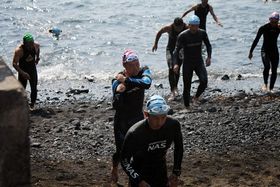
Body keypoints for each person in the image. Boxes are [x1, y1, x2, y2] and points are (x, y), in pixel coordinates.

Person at [121, 95, 183, 187]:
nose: (160, 122)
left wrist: (175, 173)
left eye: (163, 117)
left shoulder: (173, 125)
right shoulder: (135, 132)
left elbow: (179, 148)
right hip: (140, 171)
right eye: (156, 118)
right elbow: (124, 160)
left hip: (160, 170)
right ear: (146, 115)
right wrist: (138, 180)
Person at [111, 49, 152, 184]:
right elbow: (116, 105)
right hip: (122, 121)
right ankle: (114, 168)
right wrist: (119, 93)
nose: (135, 68)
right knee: (122, 152)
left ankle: (132, 180)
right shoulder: (117, 80)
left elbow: (146, 83)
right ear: (124, 66)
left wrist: (127, 81)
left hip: (138, 118)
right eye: (131, 65)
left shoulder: (143, 71)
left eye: (137, 64)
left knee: (139, 152)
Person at [173, 15, 212, 110]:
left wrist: (209, 57)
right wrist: (176, 64)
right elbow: (176, 51)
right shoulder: (183, 35)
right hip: (187, 63)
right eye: (192, 26)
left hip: (198, 61)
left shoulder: (202, 33)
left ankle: (196, 97)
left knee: (204, 81)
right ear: (189, 25)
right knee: (187, 86)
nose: (194, 28)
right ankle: (187, 106)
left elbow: (208, 45)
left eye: (196, 26)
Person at [152, 17, 188, 101]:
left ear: (182, 25)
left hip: (180, 51)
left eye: (180, 27)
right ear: (174, 25)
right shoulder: (169, 28)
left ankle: (175, 87)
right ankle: (172, 91)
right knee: (171, 68)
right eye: (177, 28)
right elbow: (159, 33)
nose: (179, 29)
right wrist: (155, 44)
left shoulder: (186, 27)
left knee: (177, 69)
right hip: (170, 50)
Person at [248, 12, 280, 93]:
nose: (273, 24)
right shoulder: (264, 28)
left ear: (278, 21)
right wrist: (251, 52)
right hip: (264, 50)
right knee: (267, 66)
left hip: (274, 51)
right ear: (269, 20)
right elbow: (256, 40)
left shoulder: (279, 27)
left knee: (274, 70)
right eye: (272, 21)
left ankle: (271, 88)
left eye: (275, 22)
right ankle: (265, 84)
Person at [12, 33, 40, 110]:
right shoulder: (19, 50)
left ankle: (32, 105)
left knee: (34, 88)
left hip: (32, 69)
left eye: (31, 43)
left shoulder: (36, 45)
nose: (30, 46)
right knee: (22, 89)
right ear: (24, 43)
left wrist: (37, 58)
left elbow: (38, 50)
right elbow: (14, 64)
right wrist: (23, 73)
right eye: (28, 44)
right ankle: (21, 105)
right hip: (23, 71)